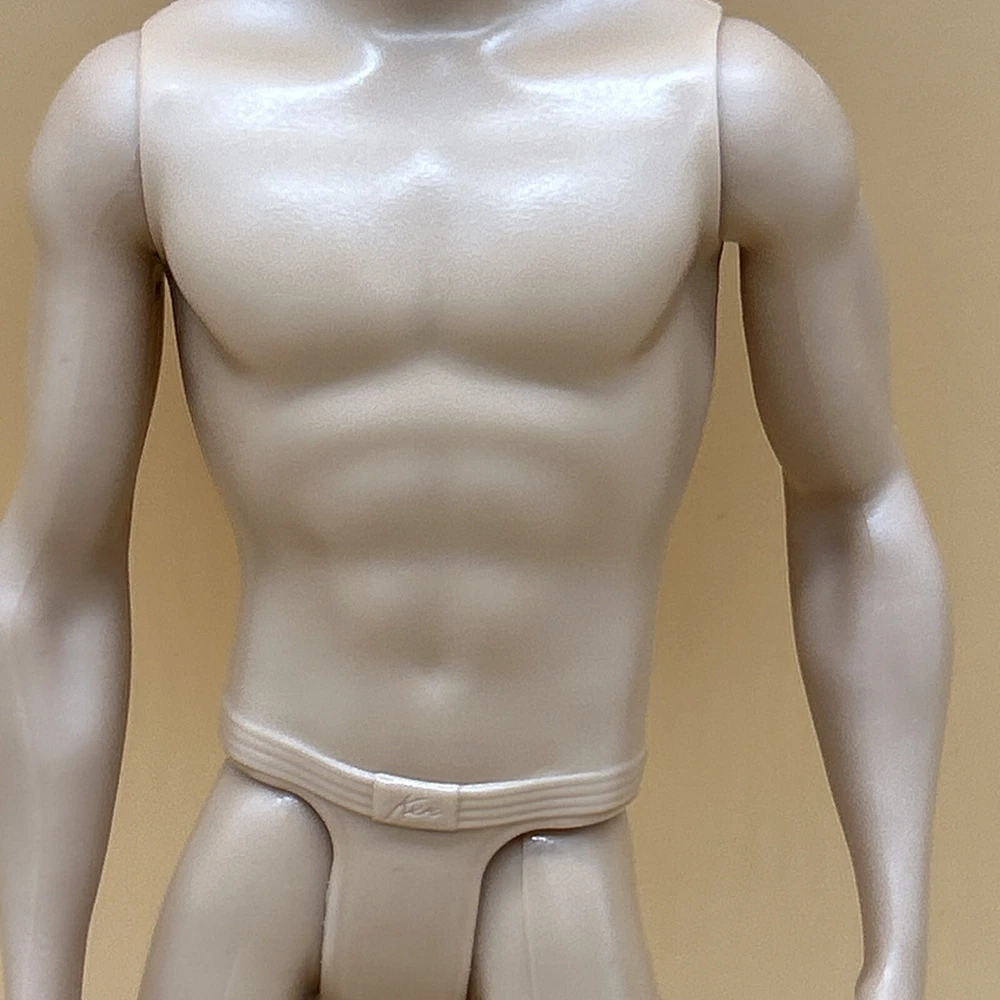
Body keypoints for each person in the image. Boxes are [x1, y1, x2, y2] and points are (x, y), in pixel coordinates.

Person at [0, 0, 951, 997]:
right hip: (273, 829)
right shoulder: (142, 111)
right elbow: (54, 577)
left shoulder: (731, 108)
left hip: (554, 849)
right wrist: (34, 981)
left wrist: (897, 952)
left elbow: (858, 514)